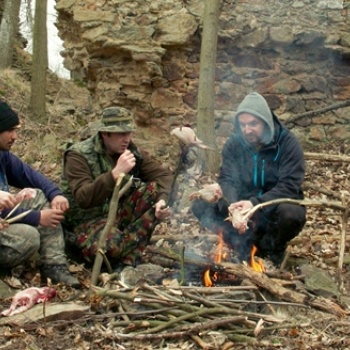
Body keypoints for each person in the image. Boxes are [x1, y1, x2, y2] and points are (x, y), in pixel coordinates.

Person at [192, 92, 306, 266]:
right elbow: (227, 177)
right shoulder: (234, 144)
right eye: (243, 124)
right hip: (242, 204)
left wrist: (255, 204)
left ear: (266, 122)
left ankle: (271, 251)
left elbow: (289, 185)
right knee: (201, 205)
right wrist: (234, 206)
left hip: (271, 207)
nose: (247, 130)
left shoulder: (287, 143)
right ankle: (243, 247)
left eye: (253, 124)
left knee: (291, 213)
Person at [60, 106, 174, 268]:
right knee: (110, 248)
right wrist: (115, 174)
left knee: (153, 190)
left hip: (118, 215)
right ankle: (92, 248)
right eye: (121, 134)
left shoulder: (131, 151)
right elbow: (83, 198)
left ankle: (128, 260)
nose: (127, 139)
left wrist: (162, 201)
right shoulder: (79, 155)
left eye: (129, 133)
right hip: (86, 220)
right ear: (105, 134)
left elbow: (163, 176)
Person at [0, 101, 80, 288]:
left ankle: (54, 265)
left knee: (37, 194)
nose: (15, 136)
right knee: (29, 237)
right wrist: (37, 218)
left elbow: (31, 176)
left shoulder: (2, 155)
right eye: (9, 130)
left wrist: (55, 194)